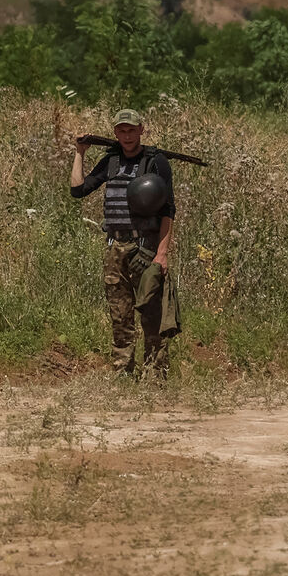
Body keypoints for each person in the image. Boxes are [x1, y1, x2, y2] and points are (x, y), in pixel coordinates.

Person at [70, 109, 176, 379]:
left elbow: (168, 211)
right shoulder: (111, 161)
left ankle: (155, 375)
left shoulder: (156, 162)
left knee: (152, 314)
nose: (127, 136)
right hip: (115, 248)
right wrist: (80, 152)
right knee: (120, 315)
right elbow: (78, 190)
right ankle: (123, 374)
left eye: (132, 130)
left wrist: (162, 254)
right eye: (122, 131)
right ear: (115, 133)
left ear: (142, 129)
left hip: (146, 248)